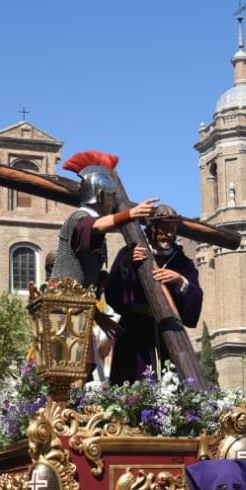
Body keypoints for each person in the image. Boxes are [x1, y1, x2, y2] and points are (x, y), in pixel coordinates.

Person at [104, 207, 203, 384]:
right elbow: (112, 292)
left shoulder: (182, 262)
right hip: (133, 332)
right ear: (152, 229)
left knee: (169, 384)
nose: (169, 235)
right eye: (164, 229)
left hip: (168, 331)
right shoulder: (129, 253)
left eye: (172, 230)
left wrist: (180, 281)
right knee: (129, 383)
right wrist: (125, 265)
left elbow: (195, 295)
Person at [47, 150, 158, 290]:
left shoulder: (99, 231)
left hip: (80, 299)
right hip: (60, 298)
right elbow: (96, 226)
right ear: (100, 196)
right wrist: (130, 213)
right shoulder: (78, 218)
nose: (113, 203)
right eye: (111, 197)